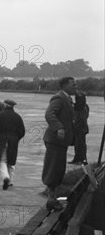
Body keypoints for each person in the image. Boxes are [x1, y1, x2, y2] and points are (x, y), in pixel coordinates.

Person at [42, 77, 76, 211]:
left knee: (58, 169)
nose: (75, 87)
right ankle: (51, 199)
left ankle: (53, 198)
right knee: (53, 169)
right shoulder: (59, 98)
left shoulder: (67, 98)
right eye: (73, 85)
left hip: (61, 141)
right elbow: (49, 114)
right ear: (65, 86)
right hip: (55, 140)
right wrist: (59, 128)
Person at [0, 99, 25, 190]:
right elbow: (22, 131)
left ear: (5, 105)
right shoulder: (17, 117)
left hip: (2, 140)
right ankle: (10, 181)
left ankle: (5, 177)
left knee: (2, 160)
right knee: (11, 161)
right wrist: (16, 138)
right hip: (13, 141)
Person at [70, 91, 89, 165]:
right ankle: (77, 159)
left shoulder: (83, 107)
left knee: (81, 145)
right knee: (77, 145)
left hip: (81, 128)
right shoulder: (80, 106)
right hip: (78, 128)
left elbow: (82, 119)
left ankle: (82, 160)